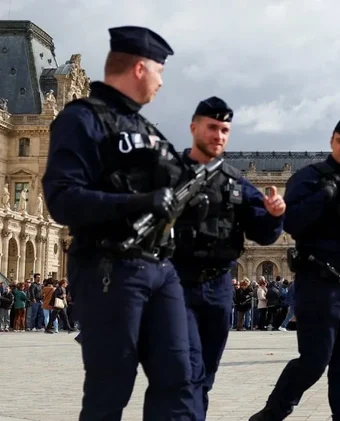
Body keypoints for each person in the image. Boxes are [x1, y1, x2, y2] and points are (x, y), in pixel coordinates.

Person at [41, 26, 196, 420]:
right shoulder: (82, 120)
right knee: (110, 387)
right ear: (141, 69)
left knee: (180, 379)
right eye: (160, 72)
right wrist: (137, 202)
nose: (162, 82)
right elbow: (62, 200)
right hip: (110, 265)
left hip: (161, 267)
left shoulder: (149, 131)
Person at [250, 111, 340, 421]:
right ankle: (271, 414)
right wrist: (326, 197)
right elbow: (292, 223)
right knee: (314, 361)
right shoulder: (309, 178)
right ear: (332, 142)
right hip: (319, 283)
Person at [171, 97, 285, 417]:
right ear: (194, 127)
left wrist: (275, 215)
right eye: (212, 127)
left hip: (219, 286)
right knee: (186, 372)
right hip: (177, 284)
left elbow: (263, 234)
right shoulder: (167, 174)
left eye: (224, 130)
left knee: (205, 374)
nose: (218, 135)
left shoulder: (236, 183)